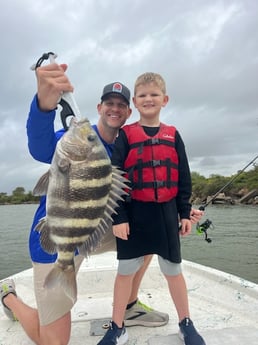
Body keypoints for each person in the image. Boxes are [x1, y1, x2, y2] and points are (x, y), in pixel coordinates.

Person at [0, 64, 203, 345]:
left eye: (121, 105)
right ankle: (8, 297)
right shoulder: (69, 143)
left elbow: (145, 191)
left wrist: (179, 209)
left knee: (147, 234)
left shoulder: (128, 146)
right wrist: (45, 106)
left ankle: (129, 306)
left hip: (94, 230)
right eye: (110, 103)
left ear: (129, 111)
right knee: (53, 342)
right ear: (100, 106)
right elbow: (39, 146)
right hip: (58, 238)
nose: (115, 109)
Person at [98, 72, 206, 345]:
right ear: (135, 102)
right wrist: (119, 217)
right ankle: (117, 326)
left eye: (154, 95)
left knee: (173, 270)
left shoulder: (173, 135)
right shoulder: (125, 135)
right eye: (143, 96)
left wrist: (184, 213)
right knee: (125, 272)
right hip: (134, 215)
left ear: (164, 99)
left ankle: (186, 322)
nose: (149, 99)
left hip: (167, 214)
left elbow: (184, 177)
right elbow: (116, 179)